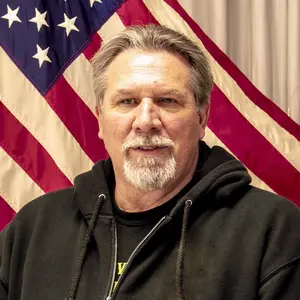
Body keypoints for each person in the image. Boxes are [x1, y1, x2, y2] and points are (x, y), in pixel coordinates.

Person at [1, 24, 300, 300]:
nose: (145, 122)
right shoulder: (32, 228)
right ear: (99, 119)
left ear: (202, 117)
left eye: (168, 101)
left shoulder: (273, 231)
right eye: (127, 101)